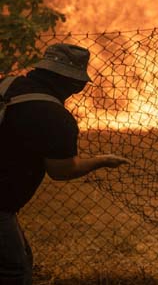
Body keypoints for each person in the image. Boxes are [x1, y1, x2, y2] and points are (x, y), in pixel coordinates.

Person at [0, 44, 129, 284]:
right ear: (72, 82)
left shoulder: (5, 85)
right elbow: (62, 171)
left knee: (20, 258)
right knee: (14, 272)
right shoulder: (55, 117)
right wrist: (102, 160)